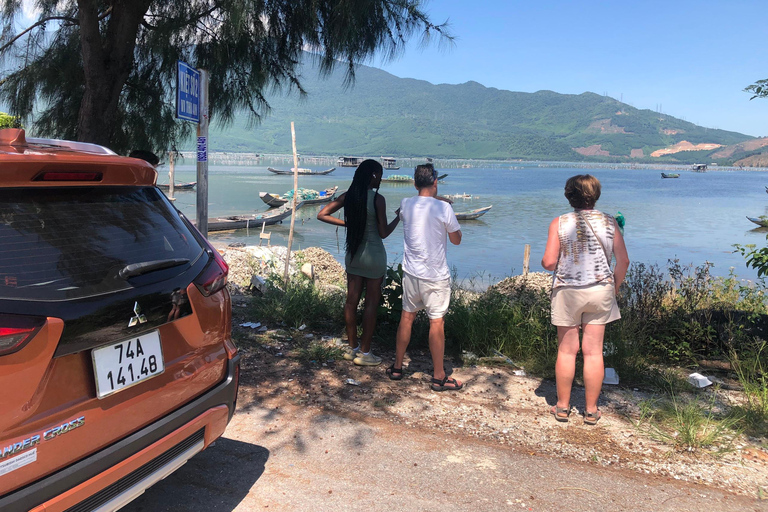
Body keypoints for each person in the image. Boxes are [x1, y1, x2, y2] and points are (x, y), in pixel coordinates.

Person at [541, 174, 629, 425]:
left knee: (567, 351)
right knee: (593, 353)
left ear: (569, 196)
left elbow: (548, 262)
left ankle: (562, 407)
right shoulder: (610, 222)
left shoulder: (559, 222)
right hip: (600, 291)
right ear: (596, 195)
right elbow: (623, 261)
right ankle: (591, 410)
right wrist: (614, 288)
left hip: (568, 291)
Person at [317, 159, 400, 365]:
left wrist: (348, 223)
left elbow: (322, 214)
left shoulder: (349, 196)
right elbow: (383, 233)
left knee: (351, 301)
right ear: (372, 175)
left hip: (353, 255)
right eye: (380, 174)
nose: (381, 178)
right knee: (371, 304)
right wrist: (399, 217)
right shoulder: (377, 199)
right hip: (374, 257)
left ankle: (352, 348)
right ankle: (365, 353)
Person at [389, 163, 463, 391]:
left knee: (407, 317)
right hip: (435, 276)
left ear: (414, 183)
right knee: (436, 321)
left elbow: (414, 209)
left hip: (411, 273)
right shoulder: (444, 209)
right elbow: (456, 239)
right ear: (435, 182)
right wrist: (444, 206)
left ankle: (398, 367)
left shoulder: (406, 204)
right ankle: (439, 375)